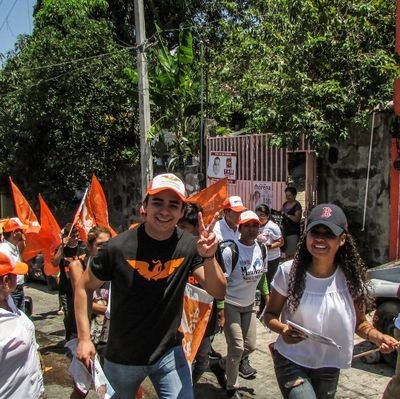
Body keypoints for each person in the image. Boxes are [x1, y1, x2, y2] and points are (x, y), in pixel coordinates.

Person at [75, 173, 227, 399]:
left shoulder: (190, 246)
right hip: (122, 357)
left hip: (168, 353)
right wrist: (84, 339)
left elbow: (218, 290)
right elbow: (83, 286)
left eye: (173, 205)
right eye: (157, 202)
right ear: (144, 206)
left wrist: (210, 257)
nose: (165, 211)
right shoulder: (117, 247)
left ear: (182, 212)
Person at [264, 203, 399, 399]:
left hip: (329, 365)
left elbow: (360, 324)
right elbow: (269, 315)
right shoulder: (288, 272)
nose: (320, 239)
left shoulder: (351, 278)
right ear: (306, 236)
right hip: (291, 361)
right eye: (314, 232)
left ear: (342, 239)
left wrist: (380, 338)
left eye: (328, 234)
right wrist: (283, 330)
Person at [217, 211, 268, 399]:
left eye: (255, 225)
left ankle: (223, 363)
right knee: (237, 347)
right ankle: (231, 387)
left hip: (249, 305)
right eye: (248, 225)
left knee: (251, 346)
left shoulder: (261, 249)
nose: (252, 229)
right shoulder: (230, 251)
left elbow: (262, 277)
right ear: (240, 228)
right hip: (231, 303)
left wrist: (266, 299)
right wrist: (221, 310)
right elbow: (222, 283)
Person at [177, 203, 223, 385]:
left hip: (204, 315)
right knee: (182, 359)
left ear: (197, 226)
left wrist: (221, 309)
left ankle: (190, 386)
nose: (179, 231)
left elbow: (220, 286)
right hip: (182, 318)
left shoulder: (211, 247)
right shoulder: (177, 248)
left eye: (183, 227)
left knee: (202, 359)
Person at [0, 250, 44, 398]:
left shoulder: (7, 300)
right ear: (6, 281)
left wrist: (35, 351)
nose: (20, 276)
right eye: (15, 274)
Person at [69, 226, 112, 357]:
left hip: (106, 333)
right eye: (100, 245)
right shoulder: (78, 266)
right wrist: (111, 311)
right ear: (89, 246)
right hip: (84, 330)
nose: (104, 249)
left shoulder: (113, 266)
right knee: (84, 375)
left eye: (108, 244)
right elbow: (82, 301)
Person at [52, 223, 87, 341]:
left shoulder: (83, 247)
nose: (76, 238)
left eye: (77, 236)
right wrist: (62, 246)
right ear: (67, 236)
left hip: (81, 288)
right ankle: (70, 339)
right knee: (69, 315)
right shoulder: (62, 249)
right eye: (73, 236)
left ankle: (80, 336)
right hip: (66, 288)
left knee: (80, 314)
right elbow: (54, 263)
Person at [255, 203, 284, 315]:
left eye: (262, 215)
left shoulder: (272, 226)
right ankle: (263, 306)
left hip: (272, 258)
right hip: (259, 258)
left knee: (267, 282)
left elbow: (281, 242)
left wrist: (269, 247)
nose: (259, 218)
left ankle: (265, 308)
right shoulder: (255, 225)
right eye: (257, 215)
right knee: (260, 282)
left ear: (267, 215)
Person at [0, 217, 28, 312]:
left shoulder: (14, 246)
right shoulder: (3, 250)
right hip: (10, 292)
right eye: (21, 230)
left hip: (18, 288)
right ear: (14, 233)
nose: (23, 232)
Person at [280, 187, 302, 259]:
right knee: (286, 252)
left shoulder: (297, 206)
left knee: (292, 253)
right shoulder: (285, 204)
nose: (287, 197)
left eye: (289, 195)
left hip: (293, 232)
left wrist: (288, 215)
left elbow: (297, 219)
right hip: (285, 231)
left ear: (294, 195)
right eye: (286, 195)